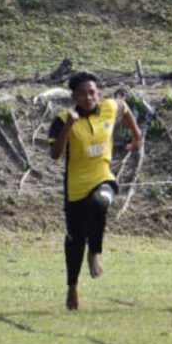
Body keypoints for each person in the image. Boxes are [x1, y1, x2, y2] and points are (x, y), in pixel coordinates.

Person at [47, 71, 142, 310]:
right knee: (74, 240)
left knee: (100, 203)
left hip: (103, 178)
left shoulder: (109, 107)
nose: (89, 97)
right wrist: (69, 126)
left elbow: (124, 107)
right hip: (76, 188)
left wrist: (137, 136)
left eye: (92, 92)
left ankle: (95, 252)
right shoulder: (61, 119)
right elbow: (55, 154)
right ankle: (72, 287)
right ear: (74, 96)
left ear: (98, 92)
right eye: (82, 93)